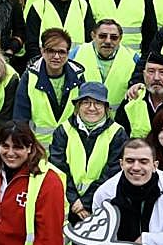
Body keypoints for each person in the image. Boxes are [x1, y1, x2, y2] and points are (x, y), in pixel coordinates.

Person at [49, 82, 127, 221]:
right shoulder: (63, 130)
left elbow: (112, 172)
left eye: (98, 103)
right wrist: (73, 200)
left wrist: (86, 202)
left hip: (102, 204)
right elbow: (58, 168)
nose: (92, 108)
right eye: (86, 102)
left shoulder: (117, 133)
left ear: (106, 107)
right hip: (67, 204)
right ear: (78, 106)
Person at [14, 29, 86, 146]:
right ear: (42, 51)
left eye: (61, 52)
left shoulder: (78, 76)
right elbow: (20, 118)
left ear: (68, 53)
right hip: (38, 149)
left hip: (70, 149)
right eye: (50, 51)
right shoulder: (29, 77)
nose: (56, 56)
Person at [70, 20, 137, 107]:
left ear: (120, 38)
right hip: (85, 117)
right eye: (102, 36)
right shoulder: (76, 53)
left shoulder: (133, 58)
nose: (108, 41)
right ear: (93, 36)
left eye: (114, 37)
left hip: (119, 119)